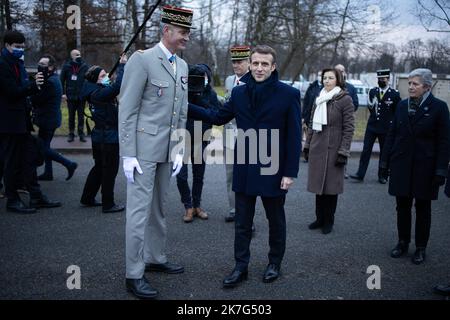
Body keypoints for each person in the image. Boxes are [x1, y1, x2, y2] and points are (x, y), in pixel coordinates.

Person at [188, 45, 301, 288]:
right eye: (256, 63)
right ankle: (241, 266)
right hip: (245, 165)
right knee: (242, 222)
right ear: (250, 65)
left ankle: (274, 263)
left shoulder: (288, 94)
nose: (259, 68)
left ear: (273, 67)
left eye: (264, 64)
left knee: (275, 220)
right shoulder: (238, 94)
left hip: (274, 167)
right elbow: (218, 117)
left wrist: (290, 172)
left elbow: (294, 136)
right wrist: (184, 106)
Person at [118, 5, 194, 299]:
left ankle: (155, 258)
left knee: (160, 207)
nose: (186, 37)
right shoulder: (143, 60)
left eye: (188, 32)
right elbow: (127, 109)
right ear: (167, 31)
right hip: (142, 150)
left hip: (166, 150)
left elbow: (182, 111)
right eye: (183, 32)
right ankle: (133, 274)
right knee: (138, 213)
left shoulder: (183, 66)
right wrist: (128, 153)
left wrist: (178, 148)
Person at [380, 68, 449, 265]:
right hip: (401, 164)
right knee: (402, 206)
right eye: (409, 83)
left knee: (422, 208)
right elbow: (392, 135)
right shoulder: (402, 106)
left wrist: (441, 170)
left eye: (415, 84)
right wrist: (384, 162)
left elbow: (444, 142)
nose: (410, 87)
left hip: (425, 168)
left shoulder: (439, 108)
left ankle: (420, 247)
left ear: (427, 86)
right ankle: (402, 242)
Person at [0, 30, 60, 213]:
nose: (20, 50)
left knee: (29, 157)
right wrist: (33, 86)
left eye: (22, 47)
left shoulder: (16, 63)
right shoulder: (3, 65)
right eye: (17, 47)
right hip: (9, 122)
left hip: (20, 121)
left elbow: (22, 89)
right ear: (7, 45)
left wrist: (34, 85)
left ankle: (36, 195)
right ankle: (12, 199)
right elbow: (12, 92)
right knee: (11, 161)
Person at [303, 68, 355, 234]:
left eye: (330, 78)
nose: (326, 81)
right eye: (324, 78)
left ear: (338, 80)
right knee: (319, 186)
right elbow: (312, 123)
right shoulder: (319, 98)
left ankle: (328, 221)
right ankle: (319, 218)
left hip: (335, 149)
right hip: (318, 147)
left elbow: (349, 128)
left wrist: (344, 150)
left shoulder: (345, 99)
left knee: (331, 188)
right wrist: (307, 145)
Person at [79, 55, 127, 213]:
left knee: (99, 168)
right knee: (110, 171)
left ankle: (87, 197)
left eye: (106, 74)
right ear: (95, 80)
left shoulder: (95, 91)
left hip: (101, 137)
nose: (107, 77)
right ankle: (108, 203)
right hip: (108, 138)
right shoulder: (99, 94)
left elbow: (113, 87)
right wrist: (122, 66)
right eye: (103, 76)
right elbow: (119, 86)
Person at [177, 63, 219, 222]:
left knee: (199, 175)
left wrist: (199, 99)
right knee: (181, 176)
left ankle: (197, 205)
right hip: (181, 138)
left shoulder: (211, 94)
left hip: (201, 139)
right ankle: (187, 206)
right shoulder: (182, 92)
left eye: (205, 77)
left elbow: (214, 115)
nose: (202, 80)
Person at [31, 54, 78, 181]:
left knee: (43, 148)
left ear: (51, 67)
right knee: (45, 145)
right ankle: (48, 173)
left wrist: (32, 90)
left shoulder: (50, 82)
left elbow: (37, 100)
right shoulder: (53, 78)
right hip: (50, 119)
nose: (39, 66)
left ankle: (69, 164)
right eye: (39, 63)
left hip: (48, 120)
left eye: (43, 64)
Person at [350, 69, 401, 184]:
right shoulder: (373, 91)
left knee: (384, 152)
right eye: (379, 79)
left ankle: (382, 175)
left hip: (386, 128)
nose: (380, 81)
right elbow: (371, 107)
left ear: (388, 79)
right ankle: (360, 173)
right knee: (366, 150)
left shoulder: (394, 94)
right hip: (372, 126)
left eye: (383, 79)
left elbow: (397, 112)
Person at [223, 45, 251, 223]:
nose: (236, 65)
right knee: (230, 174)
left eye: (240, 61)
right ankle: (234, 209)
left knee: (247, 177)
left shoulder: (255, 81)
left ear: (249, 62)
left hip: (247, 136)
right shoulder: (229, 80)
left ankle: (248, 216)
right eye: (234, 61)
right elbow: (228, 105)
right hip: (228, 135)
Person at [60, 49, 89, 142]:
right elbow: (61, 80)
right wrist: (63, 93)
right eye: (76, 55)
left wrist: (87, 94)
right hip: (70, 95)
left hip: (81, 96)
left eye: (79, 54)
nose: (78, 56)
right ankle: (71, 134)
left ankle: (81, 134)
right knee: (71, 116)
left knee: (81, 116)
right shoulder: (66, 67)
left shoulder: (85, 66)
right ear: (71, 56)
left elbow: (88, 80)